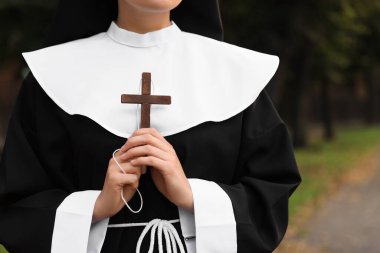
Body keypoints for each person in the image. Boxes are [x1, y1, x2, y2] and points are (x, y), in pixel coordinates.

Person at [0, 0, 301, 252]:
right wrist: (96, 205)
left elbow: (270, 191)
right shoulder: (53, 77)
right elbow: (17, 204)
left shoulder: (233, 75)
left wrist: (191, 195)